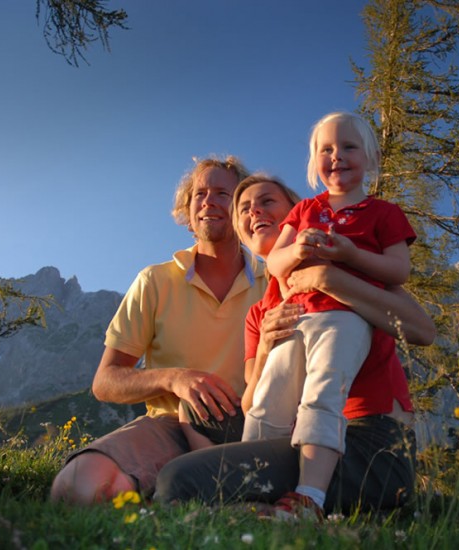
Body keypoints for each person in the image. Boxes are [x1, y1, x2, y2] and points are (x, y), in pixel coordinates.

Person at [153, 172, 435, 519]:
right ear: (242, 234)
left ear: (298, 213)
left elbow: (422, 330)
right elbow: (250, 400)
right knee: (186, 454)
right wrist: (268, 346)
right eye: (243, 210)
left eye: (267, 201)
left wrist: (326, 278)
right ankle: (279, 509)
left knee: (179, 482)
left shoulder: (343, 264)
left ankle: (284, 507)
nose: (254, 212)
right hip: (297, 438)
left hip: (371, 443)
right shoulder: (260, 312)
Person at [49, 156, 266, 504]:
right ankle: (181, 491)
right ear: (188, 207)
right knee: (77, 486)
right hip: (168, 428)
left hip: (258, 428)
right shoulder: (154, 281)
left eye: (223, 193)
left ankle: (195, 494)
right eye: (200, 193)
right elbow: (105, 381)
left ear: (243, 207)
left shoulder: (273, 281)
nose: (208, 201)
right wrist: (174, 379)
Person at [243, 112, 416, 516]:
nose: (337, 156)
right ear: (313, 162)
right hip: (298, 318)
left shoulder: (383, 213)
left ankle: (310, 495)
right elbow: (275, 263)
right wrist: (299, 249)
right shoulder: (304, 209)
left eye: (349, 147)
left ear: (370, 158)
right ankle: (250, 487)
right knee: (270, 395)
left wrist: (352, 254)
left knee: (323, 394)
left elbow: (398, 269)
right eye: (326, 149)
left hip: (347, 317)